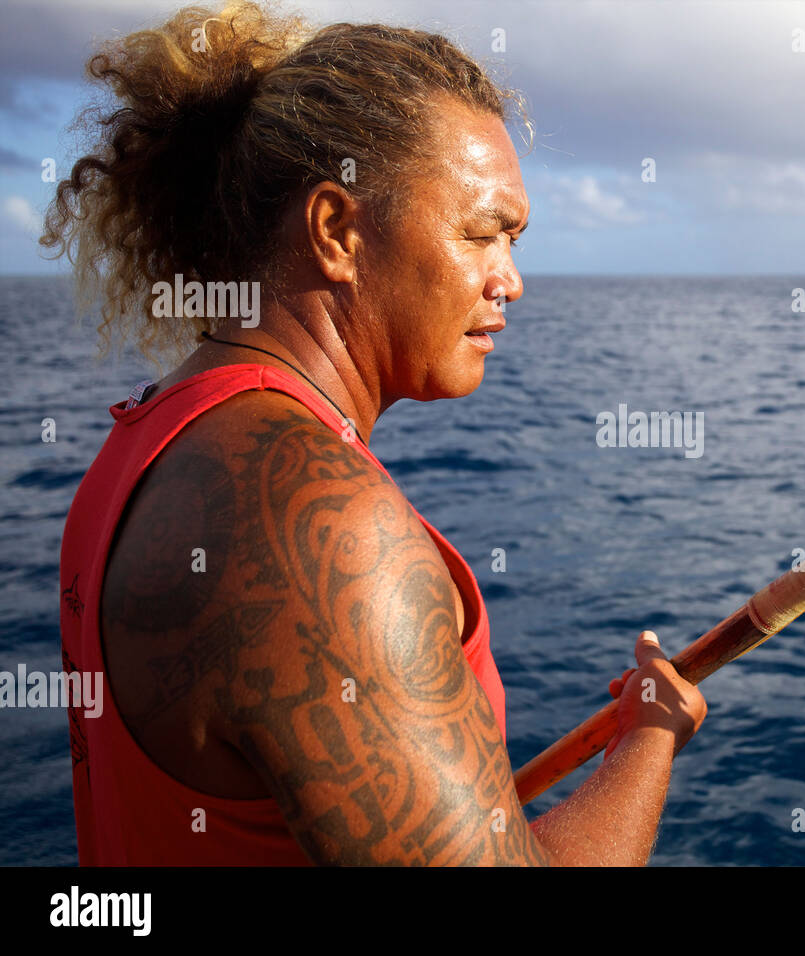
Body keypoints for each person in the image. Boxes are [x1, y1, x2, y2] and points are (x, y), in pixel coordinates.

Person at [46, 1, 706, 866]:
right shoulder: (313, 528)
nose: (510, 280)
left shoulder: (152, 434)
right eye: (482, 233)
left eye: (516, 240)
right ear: (335, 231)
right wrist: (649, 738)